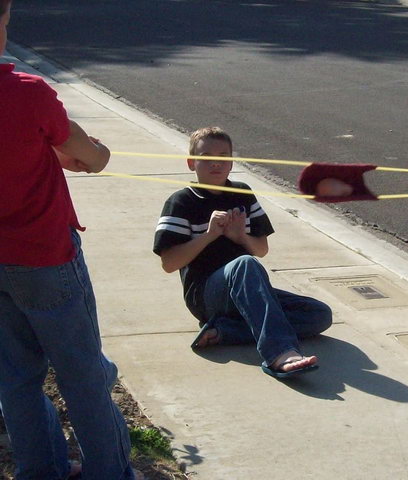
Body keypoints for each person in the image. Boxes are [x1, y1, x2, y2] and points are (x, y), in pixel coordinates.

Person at [0, 2, 142, 478]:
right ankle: (111, 472)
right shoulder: (28, 93)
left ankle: (40, 471)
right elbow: (92, 157)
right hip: (45, 257)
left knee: (17, 379)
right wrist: (82, 150)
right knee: (82, 376)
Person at [153, 127, 332, 378]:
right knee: (244, 264)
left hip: (249, 292)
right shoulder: (181, 202)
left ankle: (226, 332)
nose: (216, 163)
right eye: (206, 157)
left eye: (223, 156)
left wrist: (239, 236)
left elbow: (261, 249)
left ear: (231, 162)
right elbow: (169, 264)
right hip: (207, 296)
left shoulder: (243, 194)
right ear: (191, 162)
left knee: (319, 315)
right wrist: (209, 235)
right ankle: (279, 354)